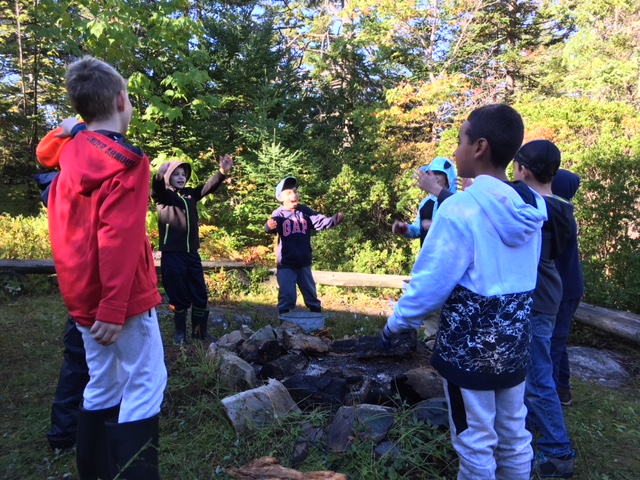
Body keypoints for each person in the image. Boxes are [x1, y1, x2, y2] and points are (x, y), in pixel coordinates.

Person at [382, 104, 547, 480]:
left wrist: (396, 325)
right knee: (514, 433)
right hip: (515, 340)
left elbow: (430, 284)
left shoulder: (461, 209)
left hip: (468, 347)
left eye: (460, 141)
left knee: (475, 439)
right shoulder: (531, 205)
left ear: (479, 147)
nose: (455, 151)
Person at [46, 56, 167, 479]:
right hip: (122, 300)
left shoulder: (69, 152)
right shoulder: (128, 162)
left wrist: (75, 129)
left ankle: (95, 472)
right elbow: (118, 237)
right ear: (120, 100)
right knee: (145, 384)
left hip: (80, 296)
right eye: (129, 99)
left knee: (103, 382)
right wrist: (115, 306)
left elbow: (50, 151)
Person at [513, 141, 577, 478]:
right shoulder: (559, 205)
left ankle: (558, 452)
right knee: (532, 374)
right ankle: (530, 431)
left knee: (538, 379)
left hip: (538, 302)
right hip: (547, 297)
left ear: (523, 170)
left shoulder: (536, 206)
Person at [35, 118, 90, 451]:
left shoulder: (64, 185)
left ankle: (70, 428)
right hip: (87, 290)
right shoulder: (69, 188)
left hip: (82, 288)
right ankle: (65, 432)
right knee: (80, 359)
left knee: (83, 359)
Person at [151, 154, 233, 346]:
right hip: (173, 256)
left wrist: (222, 172)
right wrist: (159, 174)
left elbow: (207, 187)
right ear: (167, 176)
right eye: (176, 174)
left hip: (192, 255)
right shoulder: (164, 197)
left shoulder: (190, 194)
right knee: (177, 294)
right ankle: (180, 333)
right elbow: (157, 187)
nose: (181, 177)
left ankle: (200, 332)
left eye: (183, 174)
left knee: (200, 294)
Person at [265, 176, 344, 315]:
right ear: (280, 198)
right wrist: (269, 226)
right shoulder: (279, 213)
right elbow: (272, 225)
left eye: (295, 191)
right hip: (286, 264)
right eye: (288, 192)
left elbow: (319, 221)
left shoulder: (304, 211)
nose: (294, 194)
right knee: (287, 296)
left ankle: (317, 321)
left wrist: (333, 220)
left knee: (311, 294)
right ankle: (285, 325)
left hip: (304, 263)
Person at [550, 169, 584, 407]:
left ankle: (548, 399)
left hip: (565, 291)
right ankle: (563, 390)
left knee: (554, 344)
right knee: (558, 344)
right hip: (567, 289)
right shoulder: (564, 213)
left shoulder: (562, 216)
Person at [392, 156, 457, 247]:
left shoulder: (458, 201)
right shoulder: (425, 203)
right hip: (429, 258)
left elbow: (461, 229)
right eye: (431, 174)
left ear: (448, 177)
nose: (434, 178)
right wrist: (404, 229)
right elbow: (418, 229)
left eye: (438, 173)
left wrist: (435, 227)